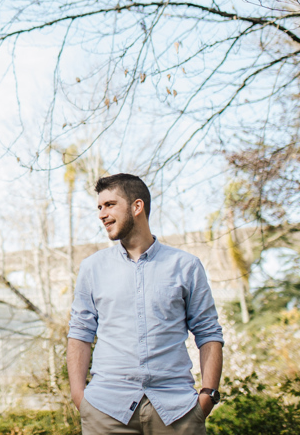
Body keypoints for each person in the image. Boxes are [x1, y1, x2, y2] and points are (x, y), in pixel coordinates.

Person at [67, 174, 224, 435]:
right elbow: (80, 333)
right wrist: (79, 397)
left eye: (109, 205)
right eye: (99, 207)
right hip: (106, 412)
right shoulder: (92, 268)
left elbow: (208, 333)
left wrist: (207, 396)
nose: (101, 214)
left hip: (177, 412)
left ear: (136, 207)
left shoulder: (186, 266)